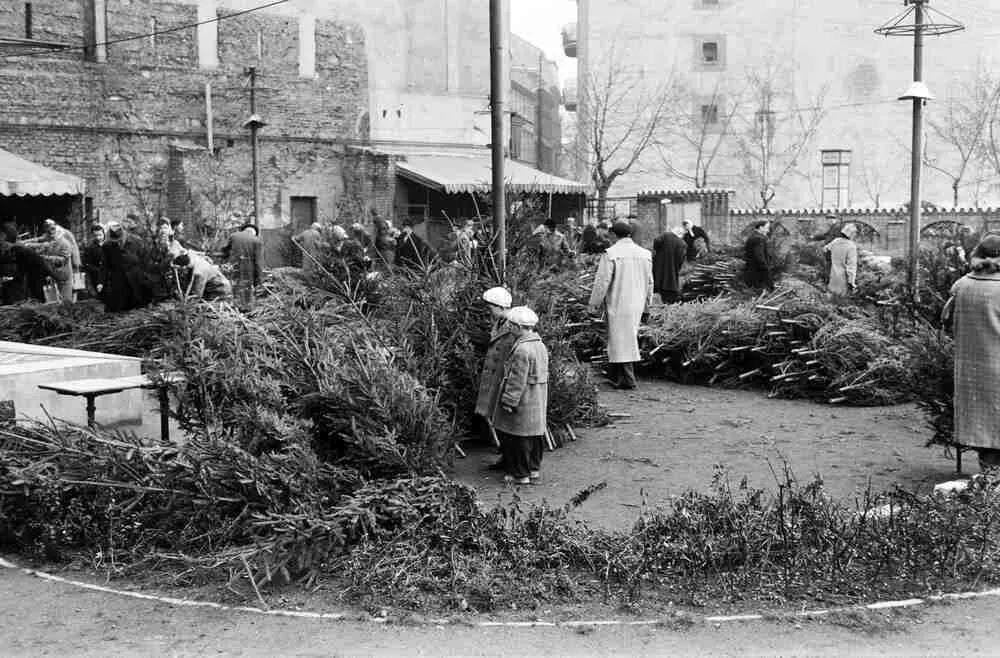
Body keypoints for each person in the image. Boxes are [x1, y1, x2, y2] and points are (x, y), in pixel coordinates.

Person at [945, 234, 1000, 472]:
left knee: (984, 431)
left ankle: (988, 483)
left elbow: (946, 324)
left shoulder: (961, 286)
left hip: (971, 372)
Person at [588, 221, 654, 390]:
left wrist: (593, 304)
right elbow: (650, 282)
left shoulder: (611, 253)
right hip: (637, 302)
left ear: (613, 235)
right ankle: (620, 377)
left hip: (618, 301)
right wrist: (648, 304)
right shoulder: (645, 254)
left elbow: (602, 282)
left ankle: (627, 379)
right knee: (627, 338)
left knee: (619, 340)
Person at [492, 305, 549, 486]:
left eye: (511, 325)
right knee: (534, 434)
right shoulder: (539, 345)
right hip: (537, 396)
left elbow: (517, 379)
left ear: (518, 326)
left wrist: (509, 401)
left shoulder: (521, 350)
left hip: (524, 399)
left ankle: (520, 474)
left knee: (517, 436)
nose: (509, 327)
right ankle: (533, 469)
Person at [474, 286, 516, 471]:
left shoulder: (512, 326)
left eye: (490, 307)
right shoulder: (499, 323)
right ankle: (505, 455)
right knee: (496, 418)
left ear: (498, 306)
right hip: (494, 376)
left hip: (502, 378)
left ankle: (510, 458)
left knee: (505, 419)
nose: (488, 311)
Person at [102, 222, 151, 312]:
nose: (117, 242)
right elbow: (105, 266)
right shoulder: (107, 246)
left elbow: (145, 261)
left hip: (136, 281)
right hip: (118, 283)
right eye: (115, 241)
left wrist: (144, 278)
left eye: (119, 240)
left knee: (138, 309)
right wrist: (101, 282)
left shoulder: (137, 241)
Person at [24, 219, 75, 302]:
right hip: (52, 275)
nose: (50, 232)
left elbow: (62, 260)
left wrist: (44, 257)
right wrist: (26, 244)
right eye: (48, 230)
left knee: (65, 302)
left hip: (63, 276)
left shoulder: (65, 243)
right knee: (53, 301)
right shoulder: (51, 241)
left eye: (52, 229)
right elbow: (40, 243)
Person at [222, 223, 263, 306]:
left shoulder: (233, 236)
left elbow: (224, 250)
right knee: (246, 287)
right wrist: (258, 278)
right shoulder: (257, 241)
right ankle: (245, 307)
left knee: (233, 285)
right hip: (248, 267)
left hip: (233, 264)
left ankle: (232, 306)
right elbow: (258, 262)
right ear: (254, 232)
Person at [652, 225, 687, 303]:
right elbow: (681, 259)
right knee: (670, 290)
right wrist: (676, 267)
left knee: (657, 284)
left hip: (658, 267)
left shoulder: (665, 235)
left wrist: (657, 253)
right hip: (672, 271)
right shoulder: (682, 243)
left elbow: (656, 241)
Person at [824, 223, 859, 297]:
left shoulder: (836, 241)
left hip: (833, 275)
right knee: (841, 300)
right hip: (843, 279)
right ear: (851, 234)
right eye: (855, 233)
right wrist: (852, 282)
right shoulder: (851, 246)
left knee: (831, 296)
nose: (855, 235)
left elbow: (825, 249)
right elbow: (851, 266)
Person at [743, 219, 774, 290]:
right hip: (758, 273)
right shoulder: (759, 238)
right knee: (762, 293)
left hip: (750, 271)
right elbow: (759, 256)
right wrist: (766, 270)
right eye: (767, 228)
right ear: (761, 228)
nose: (768, 231)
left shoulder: (752, 236)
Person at [81, 223, 105, 299]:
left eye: (100, 235)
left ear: (103, 233)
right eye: (95, 236)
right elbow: (86, 264)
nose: (98, 238)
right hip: (96, 276)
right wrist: (98, 270)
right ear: (92, 236)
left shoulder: (109, 245)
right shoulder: (89, 248)